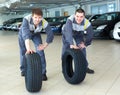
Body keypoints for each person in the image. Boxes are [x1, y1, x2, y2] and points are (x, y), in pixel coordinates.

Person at [18, 8, 54, 81]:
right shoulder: (26, 19)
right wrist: (28, 48)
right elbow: (25, 34)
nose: (37, 20)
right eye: (35, 17)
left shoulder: (44, 22)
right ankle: (23, 70)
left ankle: (43, 73)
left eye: (39, 17)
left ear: (42, 17)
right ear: (32, 16)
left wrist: (44, 45)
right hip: (23, 34)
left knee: (40, 52)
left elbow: (50, 34)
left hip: (36, 34)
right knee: (23, 51)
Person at [61, 8, 94, 74]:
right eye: (77, 16)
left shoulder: (87, 23)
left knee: (82, 49)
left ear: (84, 17)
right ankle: (65, 69)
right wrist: (71, 43)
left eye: (81, 17)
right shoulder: (70, 20)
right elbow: (68, 32)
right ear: (74, 15)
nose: (79, 18)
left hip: (78, 33)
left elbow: (90, 35)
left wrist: (85, 44)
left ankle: (85, 67)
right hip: (66, 32)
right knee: (65, 50)